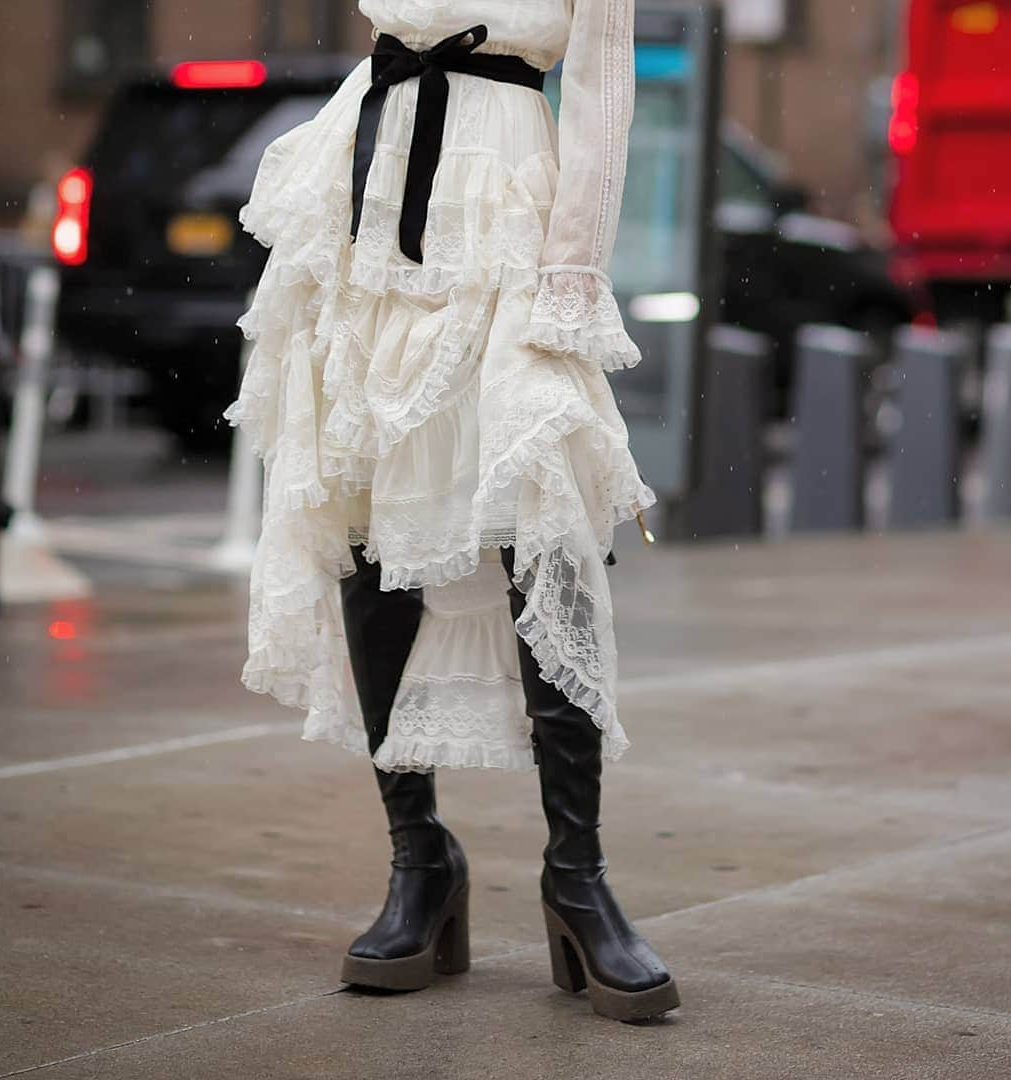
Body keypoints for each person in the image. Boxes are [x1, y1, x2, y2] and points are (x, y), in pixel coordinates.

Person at [226, 0, 679, 1023]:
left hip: (512, 199)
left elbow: (603, 86)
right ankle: (417, 861)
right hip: (372, 182)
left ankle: (578, 877)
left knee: (541, 521)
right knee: (368, 522)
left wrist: (573, 270)